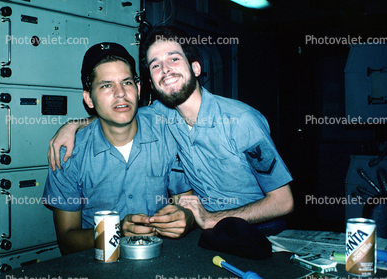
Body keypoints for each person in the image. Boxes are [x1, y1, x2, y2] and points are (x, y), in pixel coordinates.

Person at [49, 25, 294, 233]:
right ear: (152, 85)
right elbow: (116, 112)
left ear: (196, 68)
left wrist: (210, 218)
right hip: (210, 237)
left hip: (261, 230)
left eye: (174, 58)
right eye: (155, 65)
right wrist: (74, 125)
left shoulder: (241, 120)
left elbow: (283, 202)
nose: (165, 69)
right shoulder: (161, 115)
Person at [43, 42, 194, 256]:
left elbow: (186, 204)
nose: (121, 93)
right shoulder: (68, 154)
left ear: (138, 89)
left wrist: (186, 218)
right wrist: (115, 231)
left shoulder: (166, 134)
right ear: (89, 98)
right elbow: (67, 240)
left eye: (127, 82)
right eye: (106, 85)